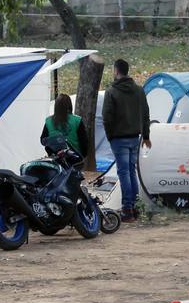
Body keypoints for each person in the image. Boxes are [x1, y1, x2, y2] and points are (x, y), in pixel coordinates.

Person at [100, 58, 151, 221]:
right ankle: (136, 207)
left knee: (124, 174)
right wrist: (146, 135)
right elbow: (145, 114)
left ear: (116, 71)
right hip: (134, 137)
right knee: (131, 172)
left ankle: (127, 209)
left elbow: (106, 117)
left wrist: (110, 136)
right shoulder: (139, 90)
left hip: (118, 138)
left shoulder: (111, 92)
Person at [40, 93, 88, 159]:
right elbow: (84, 143)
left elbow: (43, 140)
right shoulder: (77, 120)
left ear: (56, 106)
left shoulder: (48, 121)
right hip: (75, 158)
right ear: (69, 105)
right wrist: (83, 157)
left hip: (55, 158)